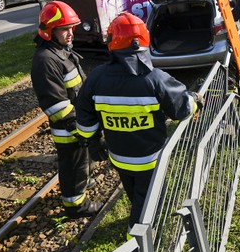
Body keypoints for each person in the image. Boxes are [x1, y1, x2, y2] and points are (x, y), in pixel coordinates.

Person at [74, 12, 200, 230]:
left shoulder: (96, 78)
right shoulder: (155, 79)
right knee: (147, 199)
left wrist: (92, 143)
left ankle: (142, 217)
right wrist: (196, 98)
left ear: (112, 42)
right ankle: (138, 243)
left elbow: (84, 114)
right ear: (144, 40)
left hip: (118, 156)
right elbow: (182, 108)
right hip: (149, 159)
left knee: (134, 192)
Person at [31, 1, 101, 219]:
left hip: (79, 123)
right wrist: (80, 130)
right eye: (64, 29)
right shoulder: (45, 61)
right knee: (73, 166)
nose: (71, 33)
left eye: (72, 27)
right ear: (49, 31)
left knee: (83, 161)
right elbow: (57, 105)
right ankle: (76, 206)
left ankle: (84, 183)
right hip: (69, 129)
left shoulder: (60, 51)